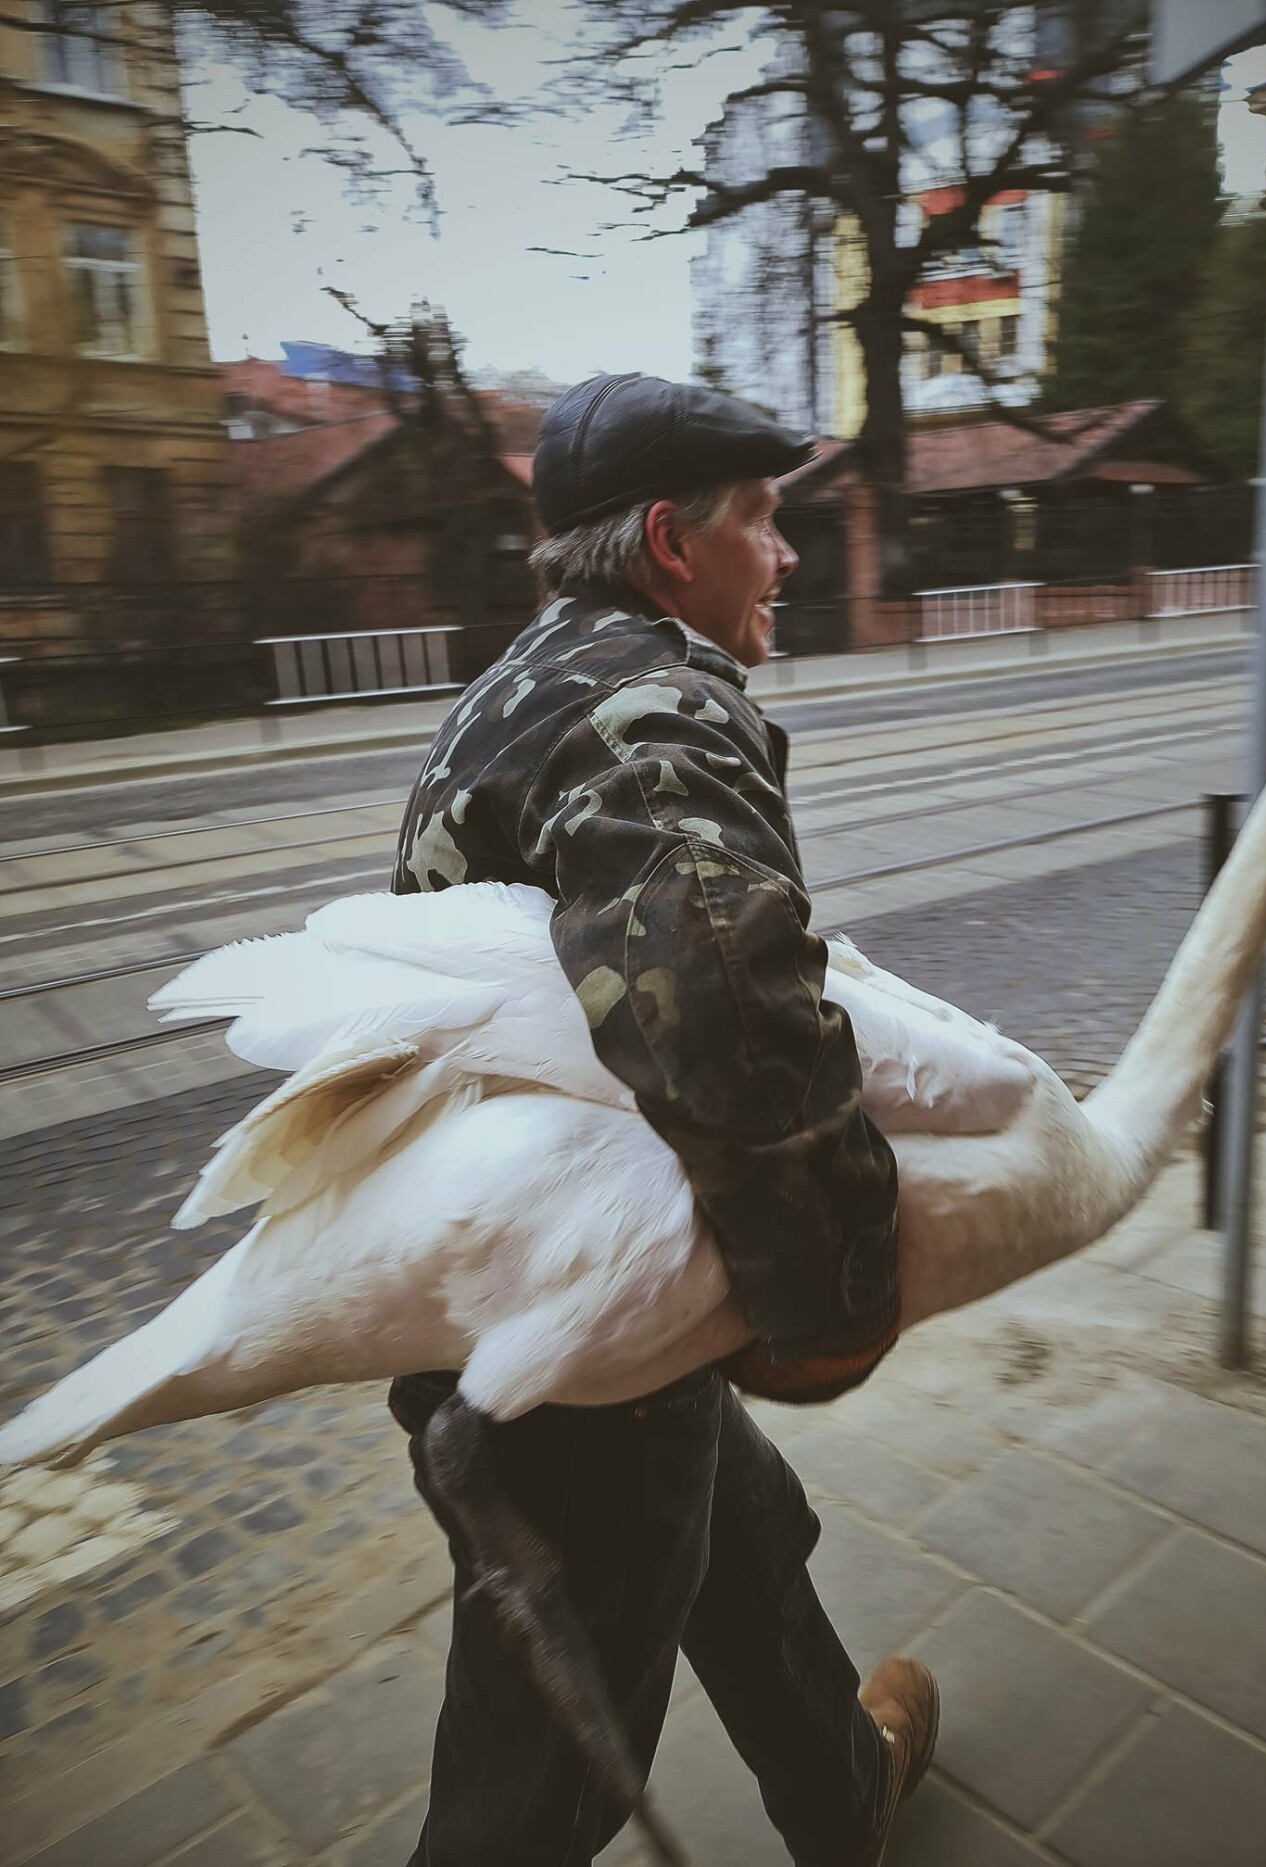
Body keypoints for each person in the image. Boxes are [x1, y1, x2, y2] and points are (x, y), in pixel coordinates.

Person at [388, 372, 939, 1865]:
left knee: (741, 1536)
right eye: (763, 520)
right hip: (571, 1340)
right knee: (541, 1767)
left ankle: (844, 1786)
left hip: (533, 1280)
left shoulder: (519, 685)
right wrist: (833, 1302)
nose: (789, 553)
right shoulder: (652, 710)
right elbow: (730, 1011)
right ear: (665, 540)